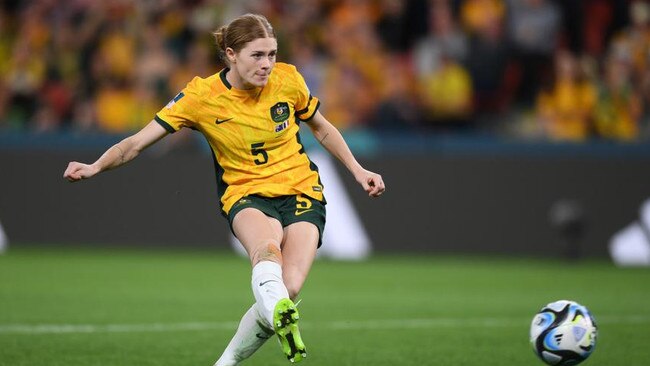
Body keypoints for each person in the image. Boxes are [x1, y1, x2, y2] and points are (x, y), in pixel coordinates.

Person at [62, 13, 385, 365]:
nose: (267, 65)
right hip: (246, 194)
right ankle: (274, 318)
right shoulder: (201, 96)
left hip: (303, 190)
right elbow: (137, 143)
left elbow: (321, 128)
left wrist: (357, 169)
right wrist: (95, 166)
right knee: (266, 249)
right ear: (231, 54)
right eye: (257, 56)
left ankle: (232, 356)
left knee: (287, 289)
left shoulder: (288, 80)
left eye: (272, 54)